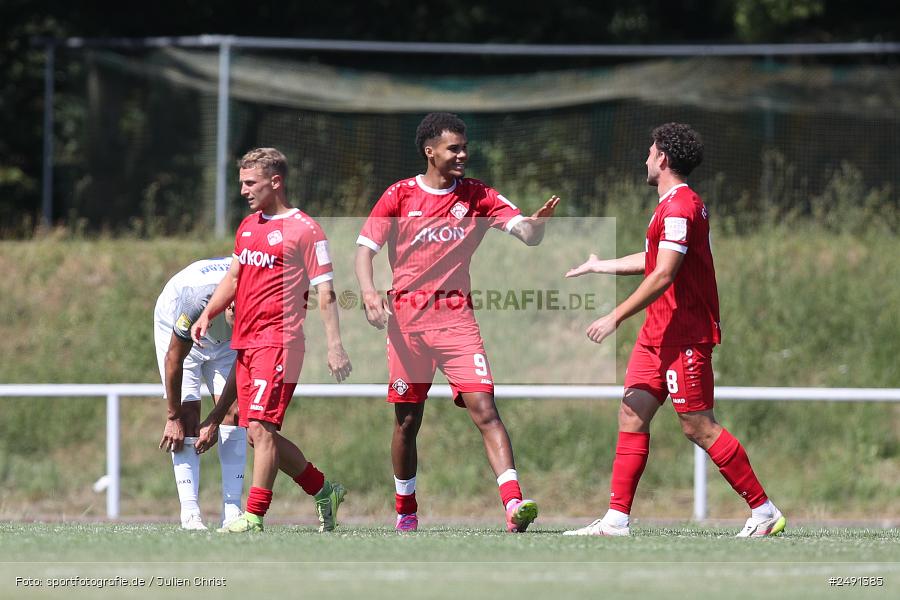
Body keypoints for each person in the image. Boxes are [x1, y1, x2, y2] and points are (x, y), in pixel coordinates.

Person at [564, 123, 785, 538]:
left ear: (662, 158)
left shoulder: (681, 207)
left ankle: (764, 511)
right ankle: (615, 520)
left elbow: (663, 274)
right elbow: (653, 258)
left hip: (684, 334)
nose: (645, 159)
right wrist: (599, 265)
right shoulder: (669, 206)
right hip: (657, 334)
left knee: (697, 426)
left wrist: (615, 316)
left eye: (650, 152)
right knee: (632, 412)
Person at [355, 112, 560, 532]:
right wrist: (370, 293)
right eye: (454, 148)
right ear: (430, 151)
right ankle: (406, 511)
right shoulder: (398, 196)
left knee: (485, 408)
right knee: (407, 421)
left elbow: (524, 231)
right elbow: (364, 250)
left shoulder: (478, 195)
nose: (463, 154)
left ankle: (513, 505)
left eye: (465, 147)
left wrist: (536, 227)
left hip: (456, 322)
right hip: (407, 326)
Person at [191, 147, 352, 534]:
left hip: (280, 342)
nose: (244, 190)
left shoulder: (307, 230)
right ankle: (323, 489)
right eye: (242, 182)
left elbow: (326, 292)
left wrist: (334, 344)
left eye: (251, 183)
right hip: (245, 341)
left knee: (261, 428)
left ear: (275, 182)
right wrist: (208, 312)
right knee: (257, 435)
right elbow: (233, 278)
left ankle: (254, 516)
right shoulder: (247, 227)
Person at [154, 257, 246, 530]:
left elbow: (244, 368)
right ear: (229, 304)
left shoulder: (258, 306)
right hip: (180, 331)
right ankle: (190, 512)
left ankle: (232, 511)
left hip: (224, 340)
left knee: (236, 413)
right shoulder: (196, 300)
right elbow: (174, 359)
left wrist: (216, 419)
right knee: (187, 415)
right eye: (235, 318)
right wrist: (172, 416)